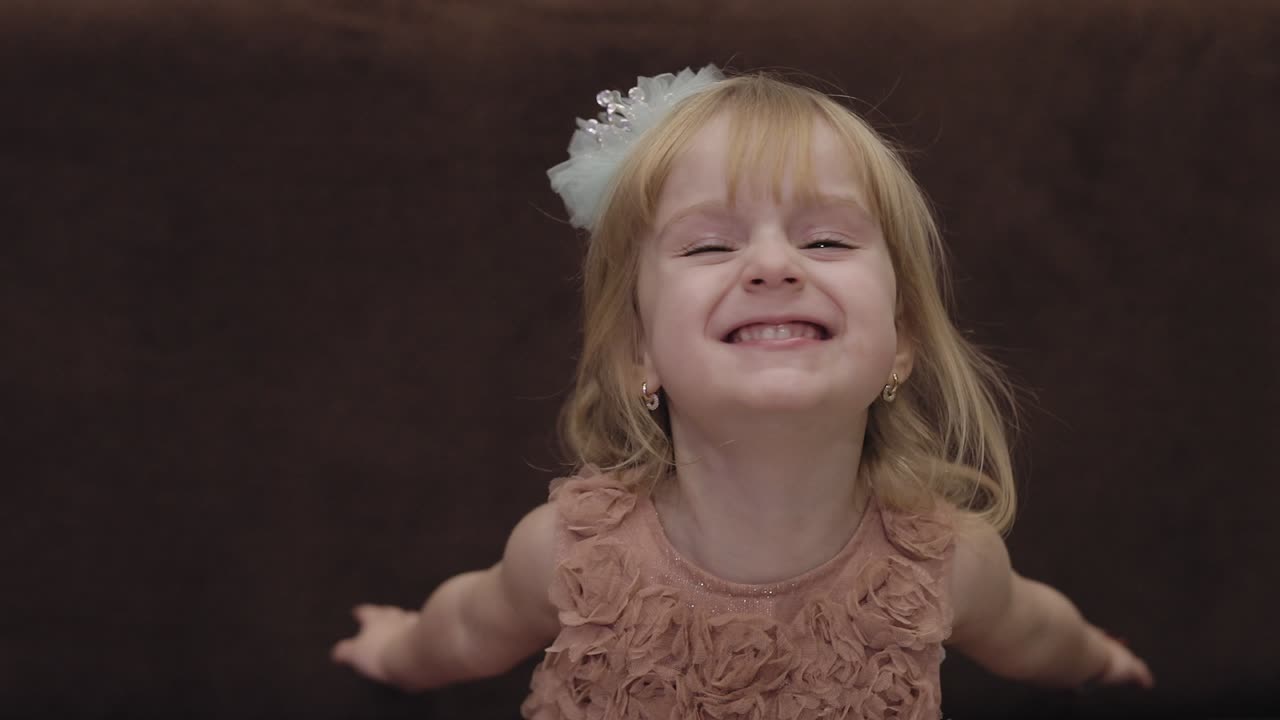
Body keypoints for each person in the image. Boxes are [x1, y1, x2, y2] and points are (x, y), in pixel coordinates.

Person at [331, 65, 1154, 719]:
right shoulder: (568, 553)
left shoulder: (945, 564)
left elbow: (1033, 632)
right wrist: (395, 650)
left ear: (900, 341)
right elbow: (467, 629)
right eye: (709, 245)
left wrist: (1100, 658)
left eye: (826, 238)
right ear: (637, 353)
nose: (772, 264)